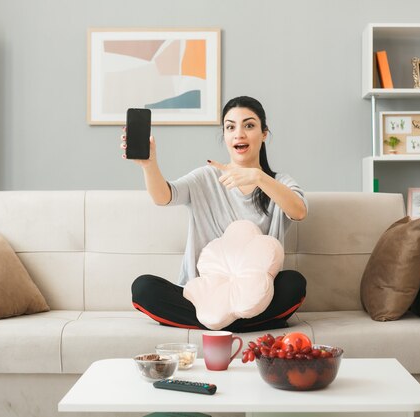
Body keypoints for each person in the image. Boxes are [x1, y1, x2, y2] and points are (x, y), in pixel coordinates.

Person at [123, 96, 308, 332]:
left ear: (264, 133)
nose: (238, 134)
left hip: (253, 297)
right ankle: (243, 322)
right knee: (143, 288)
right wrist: (149, 165)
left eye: (249, 125)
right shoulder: (206, 177)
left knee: (294, 284)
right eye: (230, 127)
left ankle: (216, 322)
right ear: (224, 135)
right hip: (202, 294)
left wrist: (258, 178)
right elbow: (164, 196)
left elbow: (299, 211)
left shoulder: (277, 183)